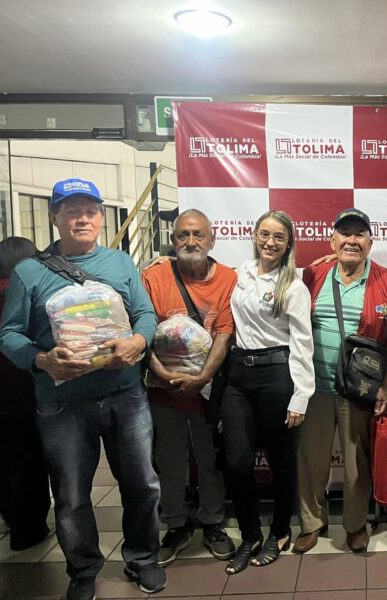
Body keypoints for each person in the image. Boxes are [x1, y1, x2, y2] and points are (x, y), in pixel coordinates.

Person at [0, 178, 164, 600]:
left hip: (126, 394)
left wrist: (139, 342)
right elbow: (9, 334)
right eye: (72, 211)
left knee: (143, 483)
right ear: (55, 217)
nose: (83, 219)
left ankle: (142, 557)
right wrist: (41, 359)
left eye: (90, 211)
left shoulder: (122, 263)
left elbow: (145, 313)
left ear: (100, 217)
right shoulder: (29, 273)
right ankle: (84, 568)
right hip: (62, 403)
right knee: (71, 494)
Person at [294, 207, 387, 554]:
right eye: (345, 233)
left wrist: (385, 384)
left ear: (370, 242)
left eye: (359, 234)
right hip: (314, 386)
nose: (351, 240)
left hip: (359, 390)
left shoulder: (386, 280)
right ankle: (312, 523)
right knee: (312, 460)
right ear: (333, 239)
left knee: (357, 463)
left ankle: (355, 525)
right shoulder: (313, 275)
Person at [141, 209, 236, 566]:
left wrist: (202, 378)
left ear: (212, 239)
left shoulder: (227, 278)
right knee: (168, 458)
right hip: (161, 387)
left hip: (207, 389)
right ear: (173, 239)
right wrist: (164, 375)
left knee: (209, 458)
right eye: (183, 235)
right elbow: (142, 330)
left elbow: (225, 332)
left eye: (198, 235)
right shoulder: (154, 276)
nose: (191, 242)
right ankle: (176, 524)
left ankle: (212, 522)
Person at [222, 210, 314, 572]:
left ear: (289, 242)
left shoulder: (293, 286)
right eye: (265, 234)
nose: (270, 242)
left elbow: (303, 343)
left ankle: (278, 531)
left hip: (277, 374)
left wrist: (301, 395)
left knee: (281, 461)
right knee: (235, 462)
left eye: (279, 237)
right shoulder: (240, 273)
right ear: (254, 235)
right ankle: (250, 535)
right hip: (237, 376)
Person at [0, 236, 51, 552]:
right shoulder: (26, 292)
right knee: (29, 461)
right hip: (25, 392)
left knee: (0, 463)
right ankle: (28, 530)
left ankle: (12, 517)